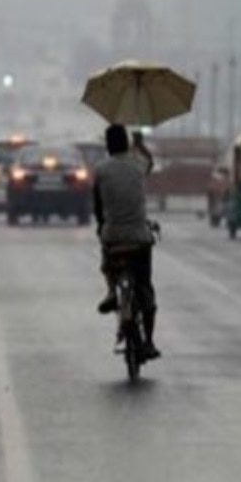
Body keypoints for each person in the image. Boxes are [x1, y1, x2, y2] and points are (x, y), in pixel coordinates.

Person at [93, 123, 160, 360]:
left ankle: (112, 291)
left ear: (108, 146)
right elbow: (150, 163)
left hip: (113, 239)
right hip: (139, 239)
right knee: (145, 288)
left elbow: (98, 208)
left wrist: (103, 226)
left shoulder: (100, 170)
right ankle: (149, 342)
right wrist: (140, 145)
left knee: (108, 256)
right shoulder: (138, 165)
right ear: (126, 143)